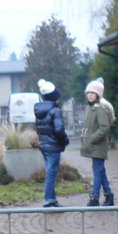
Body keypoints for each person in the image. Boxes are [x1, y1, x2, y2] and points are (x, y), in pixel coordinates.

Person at [80, 78, 115, 207]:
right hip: (93, 145)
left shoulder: (100, 109)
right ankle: (108, 195)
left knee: (97, 171)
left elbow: (104, 127)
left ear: (98, 95)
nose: (90, 95)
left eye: (92, 93)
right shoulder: (89, 108)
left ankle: (95, 197)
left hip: (98, 146)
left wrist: (92, 138)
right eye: (88, 93)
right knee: (100, 171)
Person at [34, 79, 69, 208]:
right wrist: (65, 141)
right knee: (51, 173)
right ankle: (49, 199)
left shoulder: (39, 111)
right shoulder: (55, 111)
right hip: (54, 146)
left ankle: (52, 199)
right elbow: (59, 129)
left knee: (50, 172)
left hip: (44, 145)